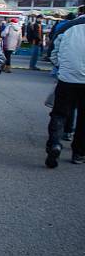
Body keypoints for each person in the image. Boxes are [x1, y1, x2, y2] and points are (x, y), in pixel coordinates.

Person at [45, 22, 85, 167]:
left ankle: (54, 144)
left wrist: (61, 67)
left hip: (67, 79)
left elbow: (52, 52)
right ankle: (79, 153)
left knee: (59, 114)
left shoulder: (68, 27)